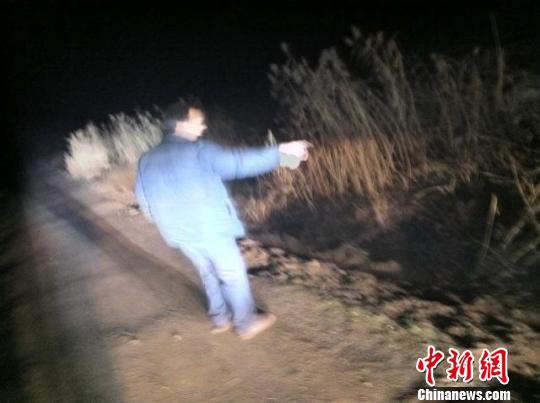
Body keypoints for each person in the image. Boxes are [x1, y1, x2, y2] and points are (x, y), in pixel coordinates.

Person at [135, 99, 310, 340]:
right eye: (198, 122)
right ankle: (246, 322)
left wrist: (167, 222)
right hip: (209, 228)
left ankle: (220, 318)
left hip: (178, 232)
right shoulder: (197, 150)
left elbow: (144, 200)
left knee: (207, 272)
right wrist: (282, 153)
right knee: (231, 273)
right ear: (180, 124)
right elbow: (238, 163)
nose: (203, 127)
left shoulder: (146, 160)